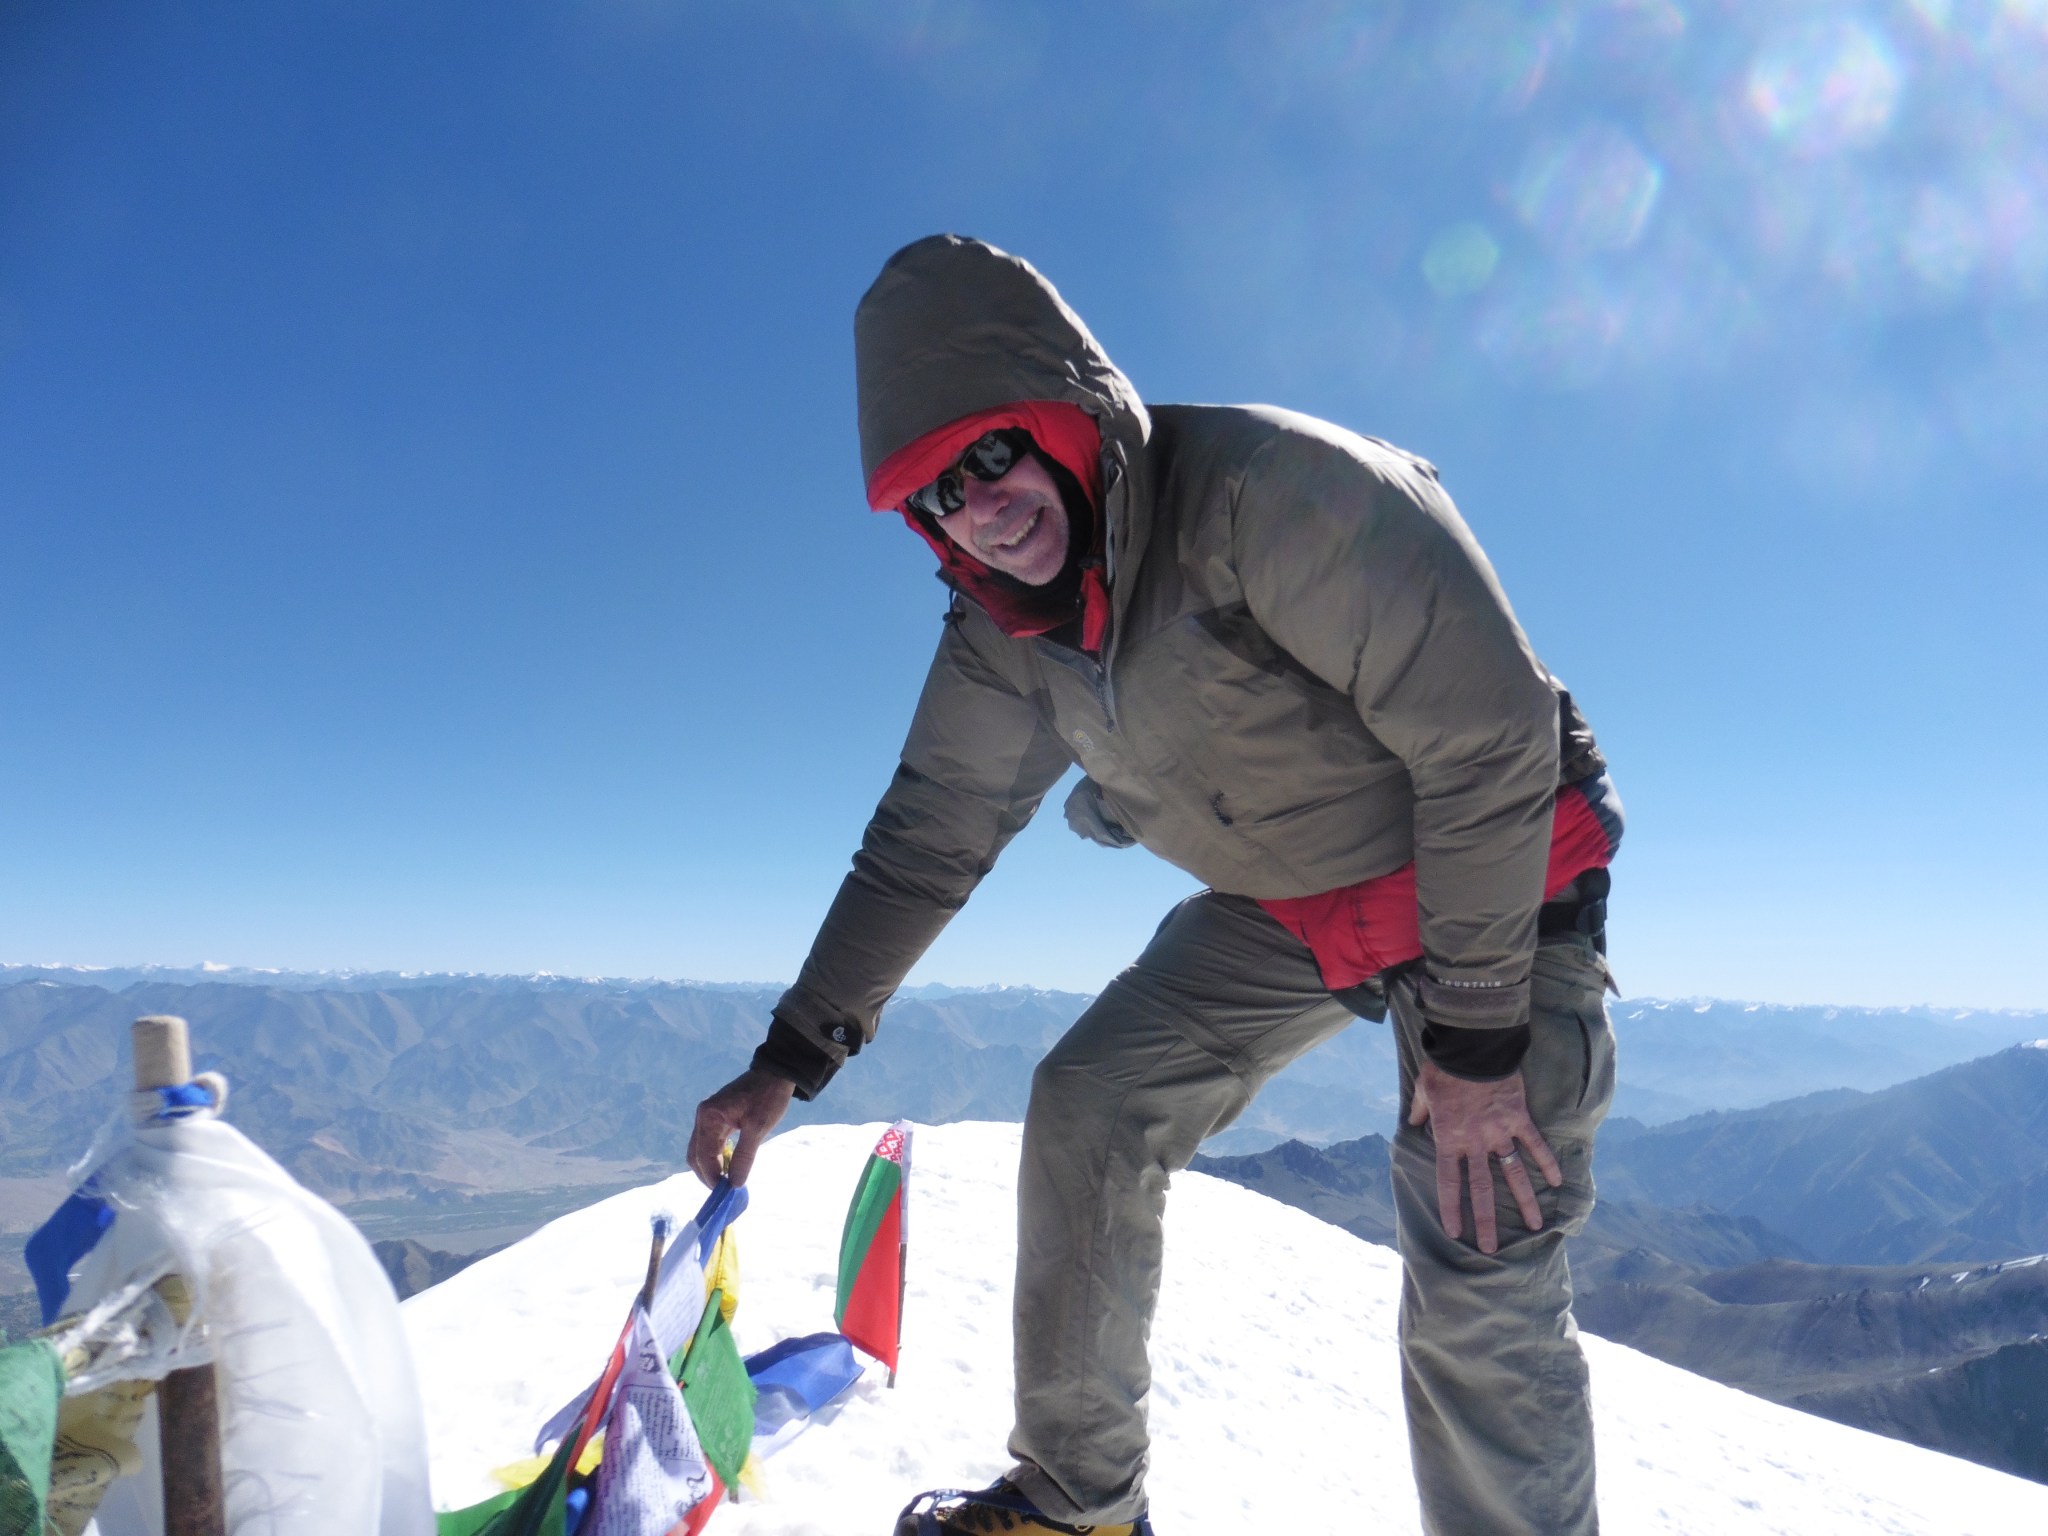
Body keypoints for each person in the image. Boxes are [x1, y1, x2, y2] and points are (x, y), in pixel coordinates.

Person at [688, 235, 1623, 1536]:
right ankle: (1079, 1506)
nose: (980, 507)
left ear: (1063, 419)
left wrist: (1473, 1045)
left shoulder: (1272, 497)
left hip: (1495, 876)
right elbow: (929, 835)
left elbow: (1488, 742)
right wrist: (790, 1053)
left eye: (993, 455)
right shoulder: (1005, 636)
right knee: (1091, 1102)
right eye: (937, 495)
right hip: (1294, 904)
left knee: (1480, 1240)